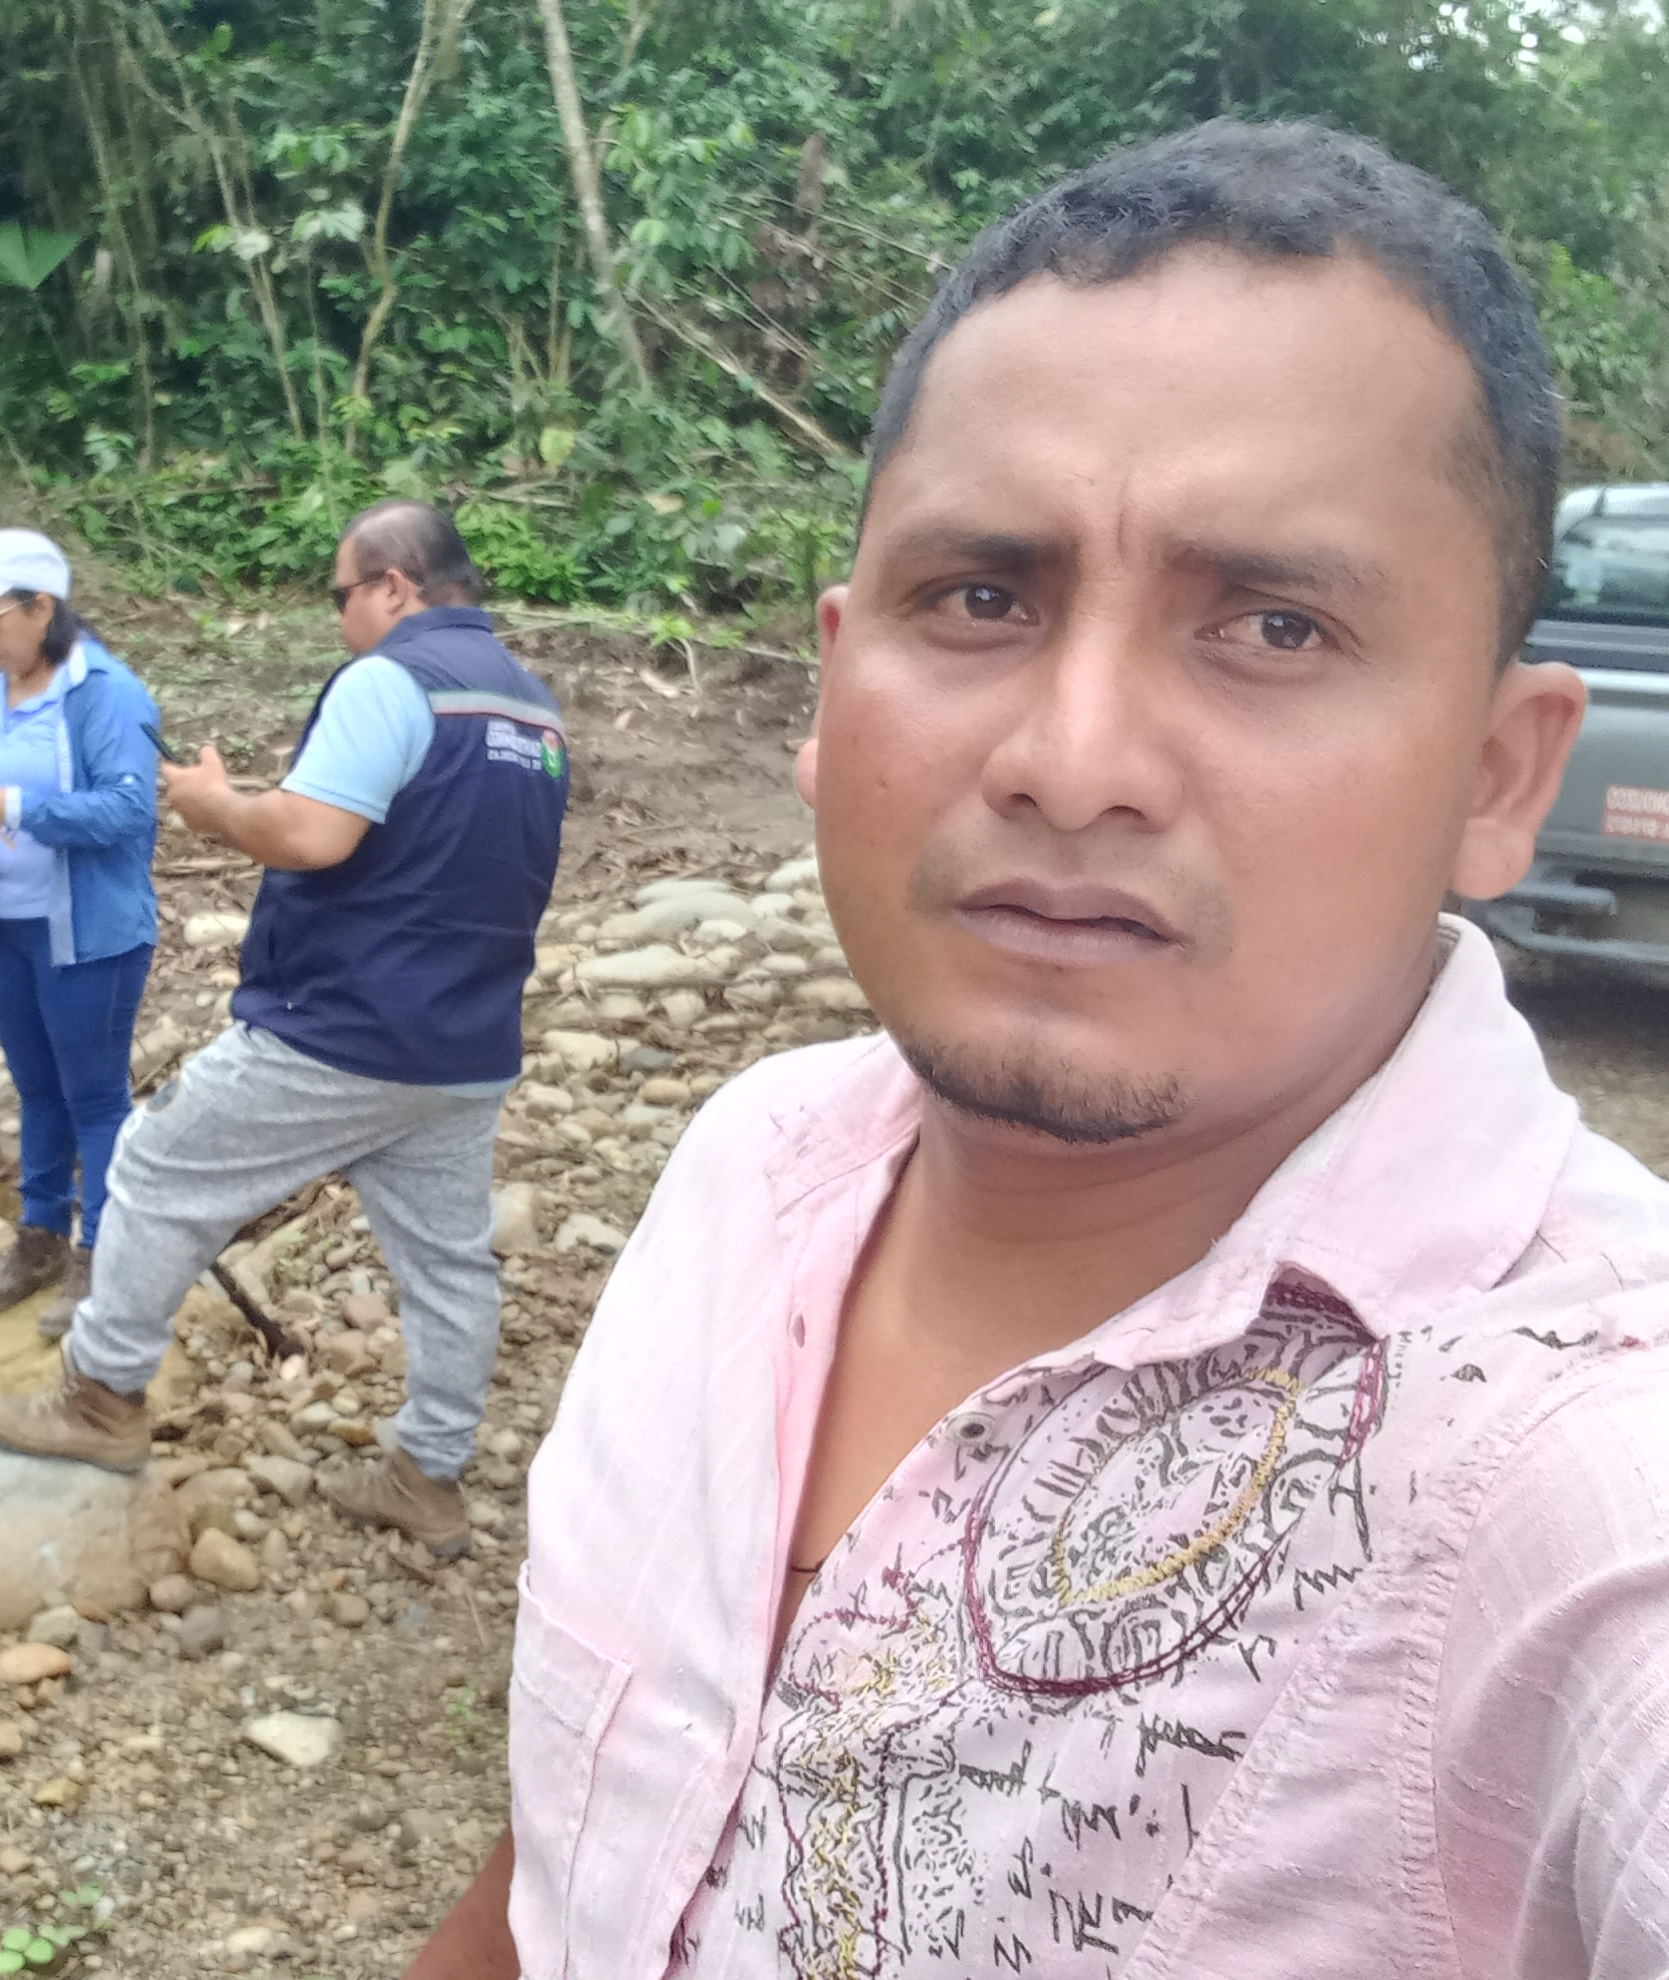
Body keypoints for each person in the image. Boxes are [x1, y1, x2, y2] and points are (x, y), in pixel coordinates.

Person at [410, 121, 1669, 1979]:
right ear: (833, 683)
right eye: (983, 598)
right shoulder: (756, 1168)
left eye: (1274, 625)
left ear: (1499, 778)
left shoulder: (1579, 1487)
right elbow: (593, 1841)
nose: (1073, 765)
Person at [0, 502, 569, 1555]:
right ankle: (428, 1474)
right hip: (467, 1040)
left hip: (342, 1027)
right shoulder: (531, 705)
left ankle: (101, 1397)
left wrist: (216, 805)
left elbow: (309, 835)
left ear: (394, 586)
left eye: (342, 597)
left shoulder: (390, 681)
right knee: (448, 1265)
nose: (341, 620)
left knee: (154, 1166)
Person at [0, 529, 160, 1335]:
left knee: (94, 1096)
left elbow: (129, 809)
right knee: (37, 1090)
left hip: (88, 932)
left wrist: (16, 809)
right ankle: (40, 1238)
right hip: (5, 921)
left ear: (41, 609)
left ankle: (103, 1255)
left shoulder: (106, 694)